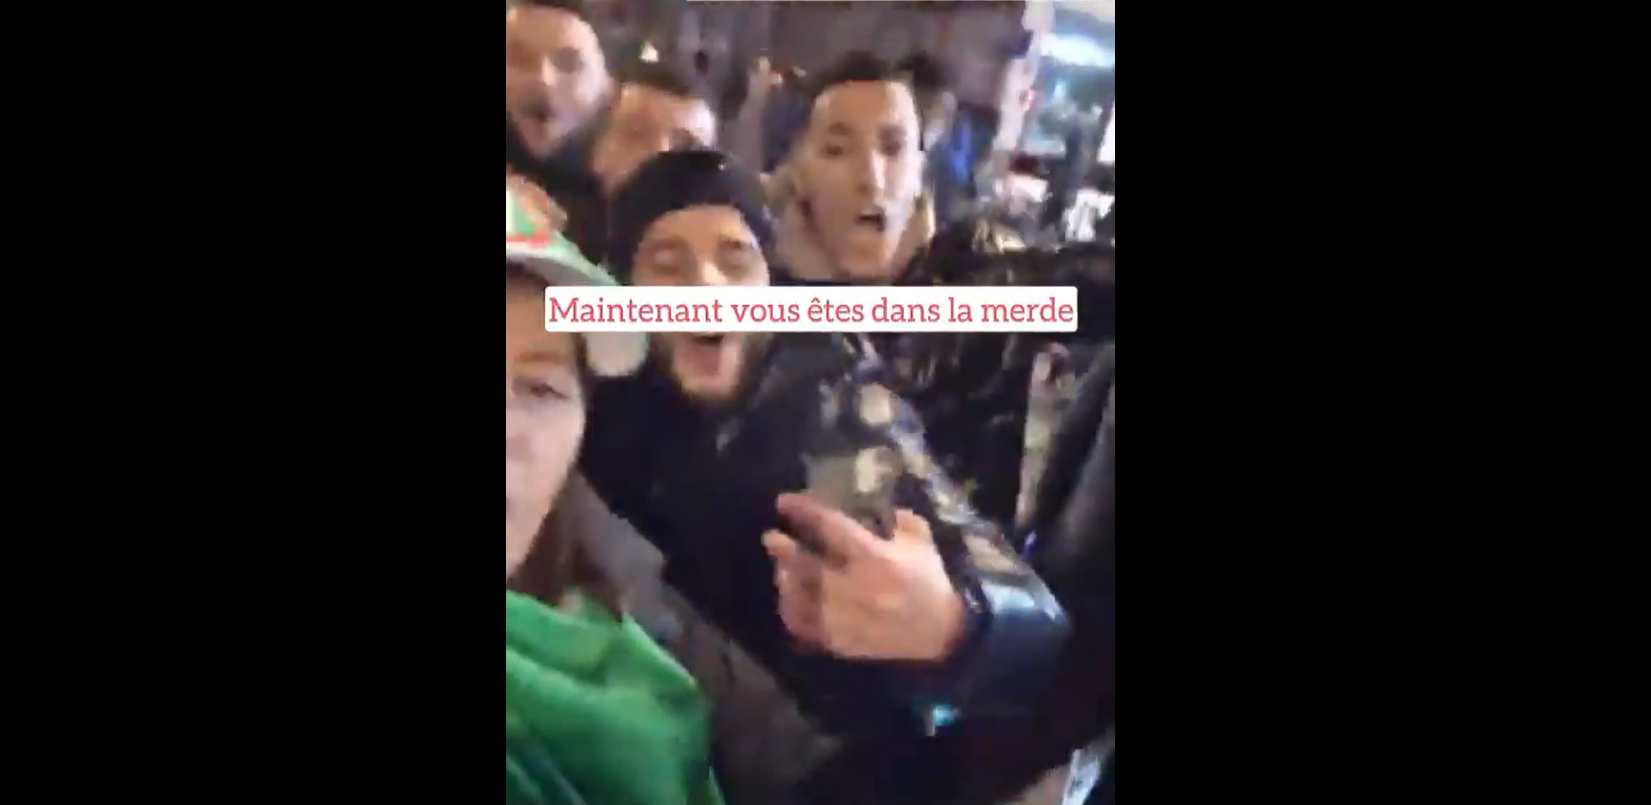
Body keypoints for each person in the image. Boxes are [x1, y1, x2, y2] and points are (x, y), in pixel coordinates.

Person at [579, 150, 1070, 747]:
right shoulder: (595, 408)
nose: (707, 285)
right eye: (667, 265)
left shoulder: (833, 403)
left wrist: (955, 623)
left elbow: (1039, 635)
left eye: (736, 261)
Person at [505, 178, 843, 805]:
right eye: (667, 263)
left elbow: (788, 757)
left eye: (541, 389)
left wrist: (950, 641)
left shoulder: (613, 594)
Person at [772, 51, 1115, 533]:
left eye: (893, 148)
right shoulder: (753, 306)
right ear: (797, 173)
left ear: (920, 170)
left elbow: (1086, 284)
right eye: (837, 150)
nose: (871, 178)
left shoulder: (982, 278)